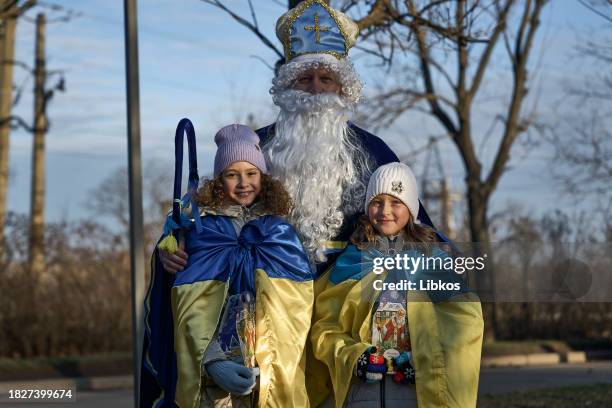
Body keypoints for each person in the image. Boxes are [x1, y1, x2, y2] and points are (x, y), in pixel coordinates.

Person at [159, 0, 443, 276]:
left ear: (344, 89)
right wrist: (175, 242)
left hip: (349, 301)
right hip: (269, 299)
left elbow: (415, 225)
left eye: (326, 79)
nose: (315, 90)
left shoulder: (373, 151)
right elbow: (206, 208)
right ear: (287, 88)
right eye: (304, 79)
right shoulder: (253, 149)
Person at [141, 124, 315, 408]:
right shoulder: (200, 230)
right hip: (214, 379)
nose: (243, 183)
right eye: (232, 174)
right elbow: (187, 307)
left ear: (264, 177)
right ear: (219, 180)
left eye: (251, 173)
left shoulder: (280, 232)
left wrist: (271, 361)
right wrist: (211, 360)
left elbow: (296, 309)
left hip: (269, 373)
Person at [310, 163, 484, 407]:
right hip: (361, 394)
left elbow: (465, 325)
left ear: (411, 209)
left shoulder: (432, 260)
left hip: (415, 393)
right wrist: (353, 357)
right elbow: (325, 329)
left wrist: (423, 361)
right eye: (377, 202)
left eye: (396, 202)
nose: (385, 211)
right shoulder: (351, 259)